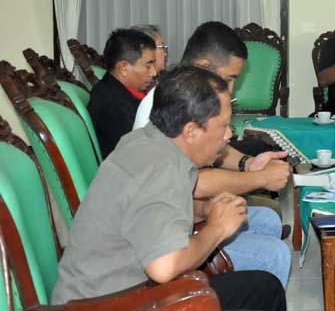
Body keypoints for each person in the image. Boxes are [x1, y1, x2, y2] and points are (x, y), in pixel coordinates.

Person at [52, 66, 285, 310]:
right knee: (263, 289)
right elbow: (164, 266)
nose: (229, 134)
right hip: (110, 303)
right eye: (223, 126)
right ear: (191, 131)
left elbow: (150, 211)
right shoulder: (163, 169)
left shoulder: (147, 140)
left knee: (254, 287)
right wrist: (217, 228)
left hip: (100, 292)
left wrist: (205, 210)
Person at [133, 21, 292, 286]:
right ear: (205, 68)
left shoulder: (183, 95)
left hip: (183, 215)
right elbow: (196, 184)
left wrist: (248, 163)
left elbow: (215, 147)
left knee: (266, 219)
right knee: (274, 254)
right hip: (167, 236)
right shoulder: (170, 103)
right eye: (229, 79)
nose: (230, 90)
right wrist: (261, 180)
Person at [88, 29, 158, 158]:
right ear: (124, 68)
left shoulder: (121, 91)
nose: (154, 73)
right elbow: (142, 153)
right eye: (148, 66)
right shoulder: (112, 104)